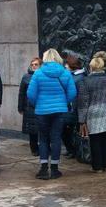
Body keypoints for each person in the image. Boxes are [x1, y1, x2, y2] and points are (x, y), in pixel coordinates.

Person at [27, 48, 77, 180]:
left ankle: (43, 169)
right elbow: (72, 93)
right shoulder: (65, 73)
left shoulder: (38, 73)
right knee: (56, 138)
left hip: (42, 111)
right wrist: (63, 102)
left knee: (43, 138)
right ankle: (54, 169)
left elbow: (30, 94)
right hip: (59, 111)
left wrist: (38, 103)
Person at [78, 57, 106, 172]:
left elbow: (83, 102)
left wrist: (81, 120)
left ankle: (97, 167)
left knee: (95, 140)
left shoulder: (85, 81)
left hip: (94, 113)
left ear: (91, 67)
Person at [62, 53, 87, 158]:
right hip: (67, 108)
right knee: (65, 131)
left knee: (69, 132)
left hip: (74, 109)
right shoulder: (70, 75)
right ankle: (70, 149)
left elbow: (81, 96)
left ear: (72, 65)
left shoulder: (79, 78)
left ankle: (73, 150)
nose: (65, 66)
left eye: (66, 64)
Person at [18, 57, 42, 156]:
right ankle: (34, 149)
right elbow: (21, 93)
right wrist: (20, 107)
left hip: (41, 106)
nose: (34, 66)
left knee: (43, 128)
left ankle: (45, 148)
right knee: (32, 130)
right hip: (29, 107)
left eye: (36, 64)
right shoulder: (26, 77)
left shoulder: (43, 76)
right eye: (32, 64)